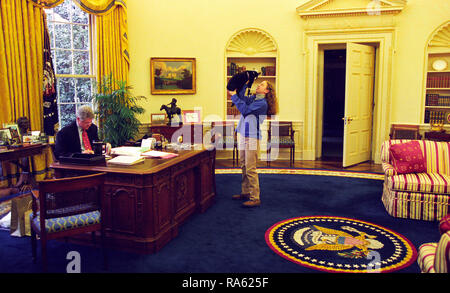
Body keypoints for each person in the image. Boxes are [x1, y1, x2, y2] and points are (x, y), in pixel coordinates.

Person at [228, 80, 278, 207]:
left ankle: (255, 197)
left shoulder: (262, 103)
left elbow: (244, 110)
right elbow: (242, 98)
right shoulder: (255, 99)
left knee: (250, 168)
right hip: (244, 135)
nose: (258, 85)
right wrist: (245, 84)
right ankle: (246, 192)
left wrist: (233, 95)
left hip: (251, 137)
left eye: (262, 85)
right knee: (243, 165)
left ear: (266, 91)